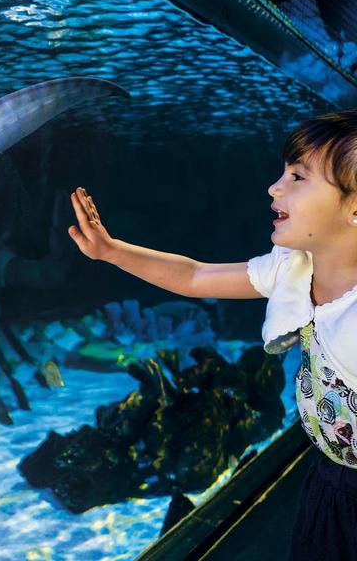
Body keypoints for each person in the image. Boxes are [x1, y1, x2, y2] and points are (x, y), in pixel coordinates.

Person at [68, 110, 357, 561]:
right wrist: (111, 251)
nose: (274, 186)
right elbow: (196, 276)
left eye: (298, 176)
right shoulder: (293, 266)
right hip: (332, 477)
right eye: (283, 172)